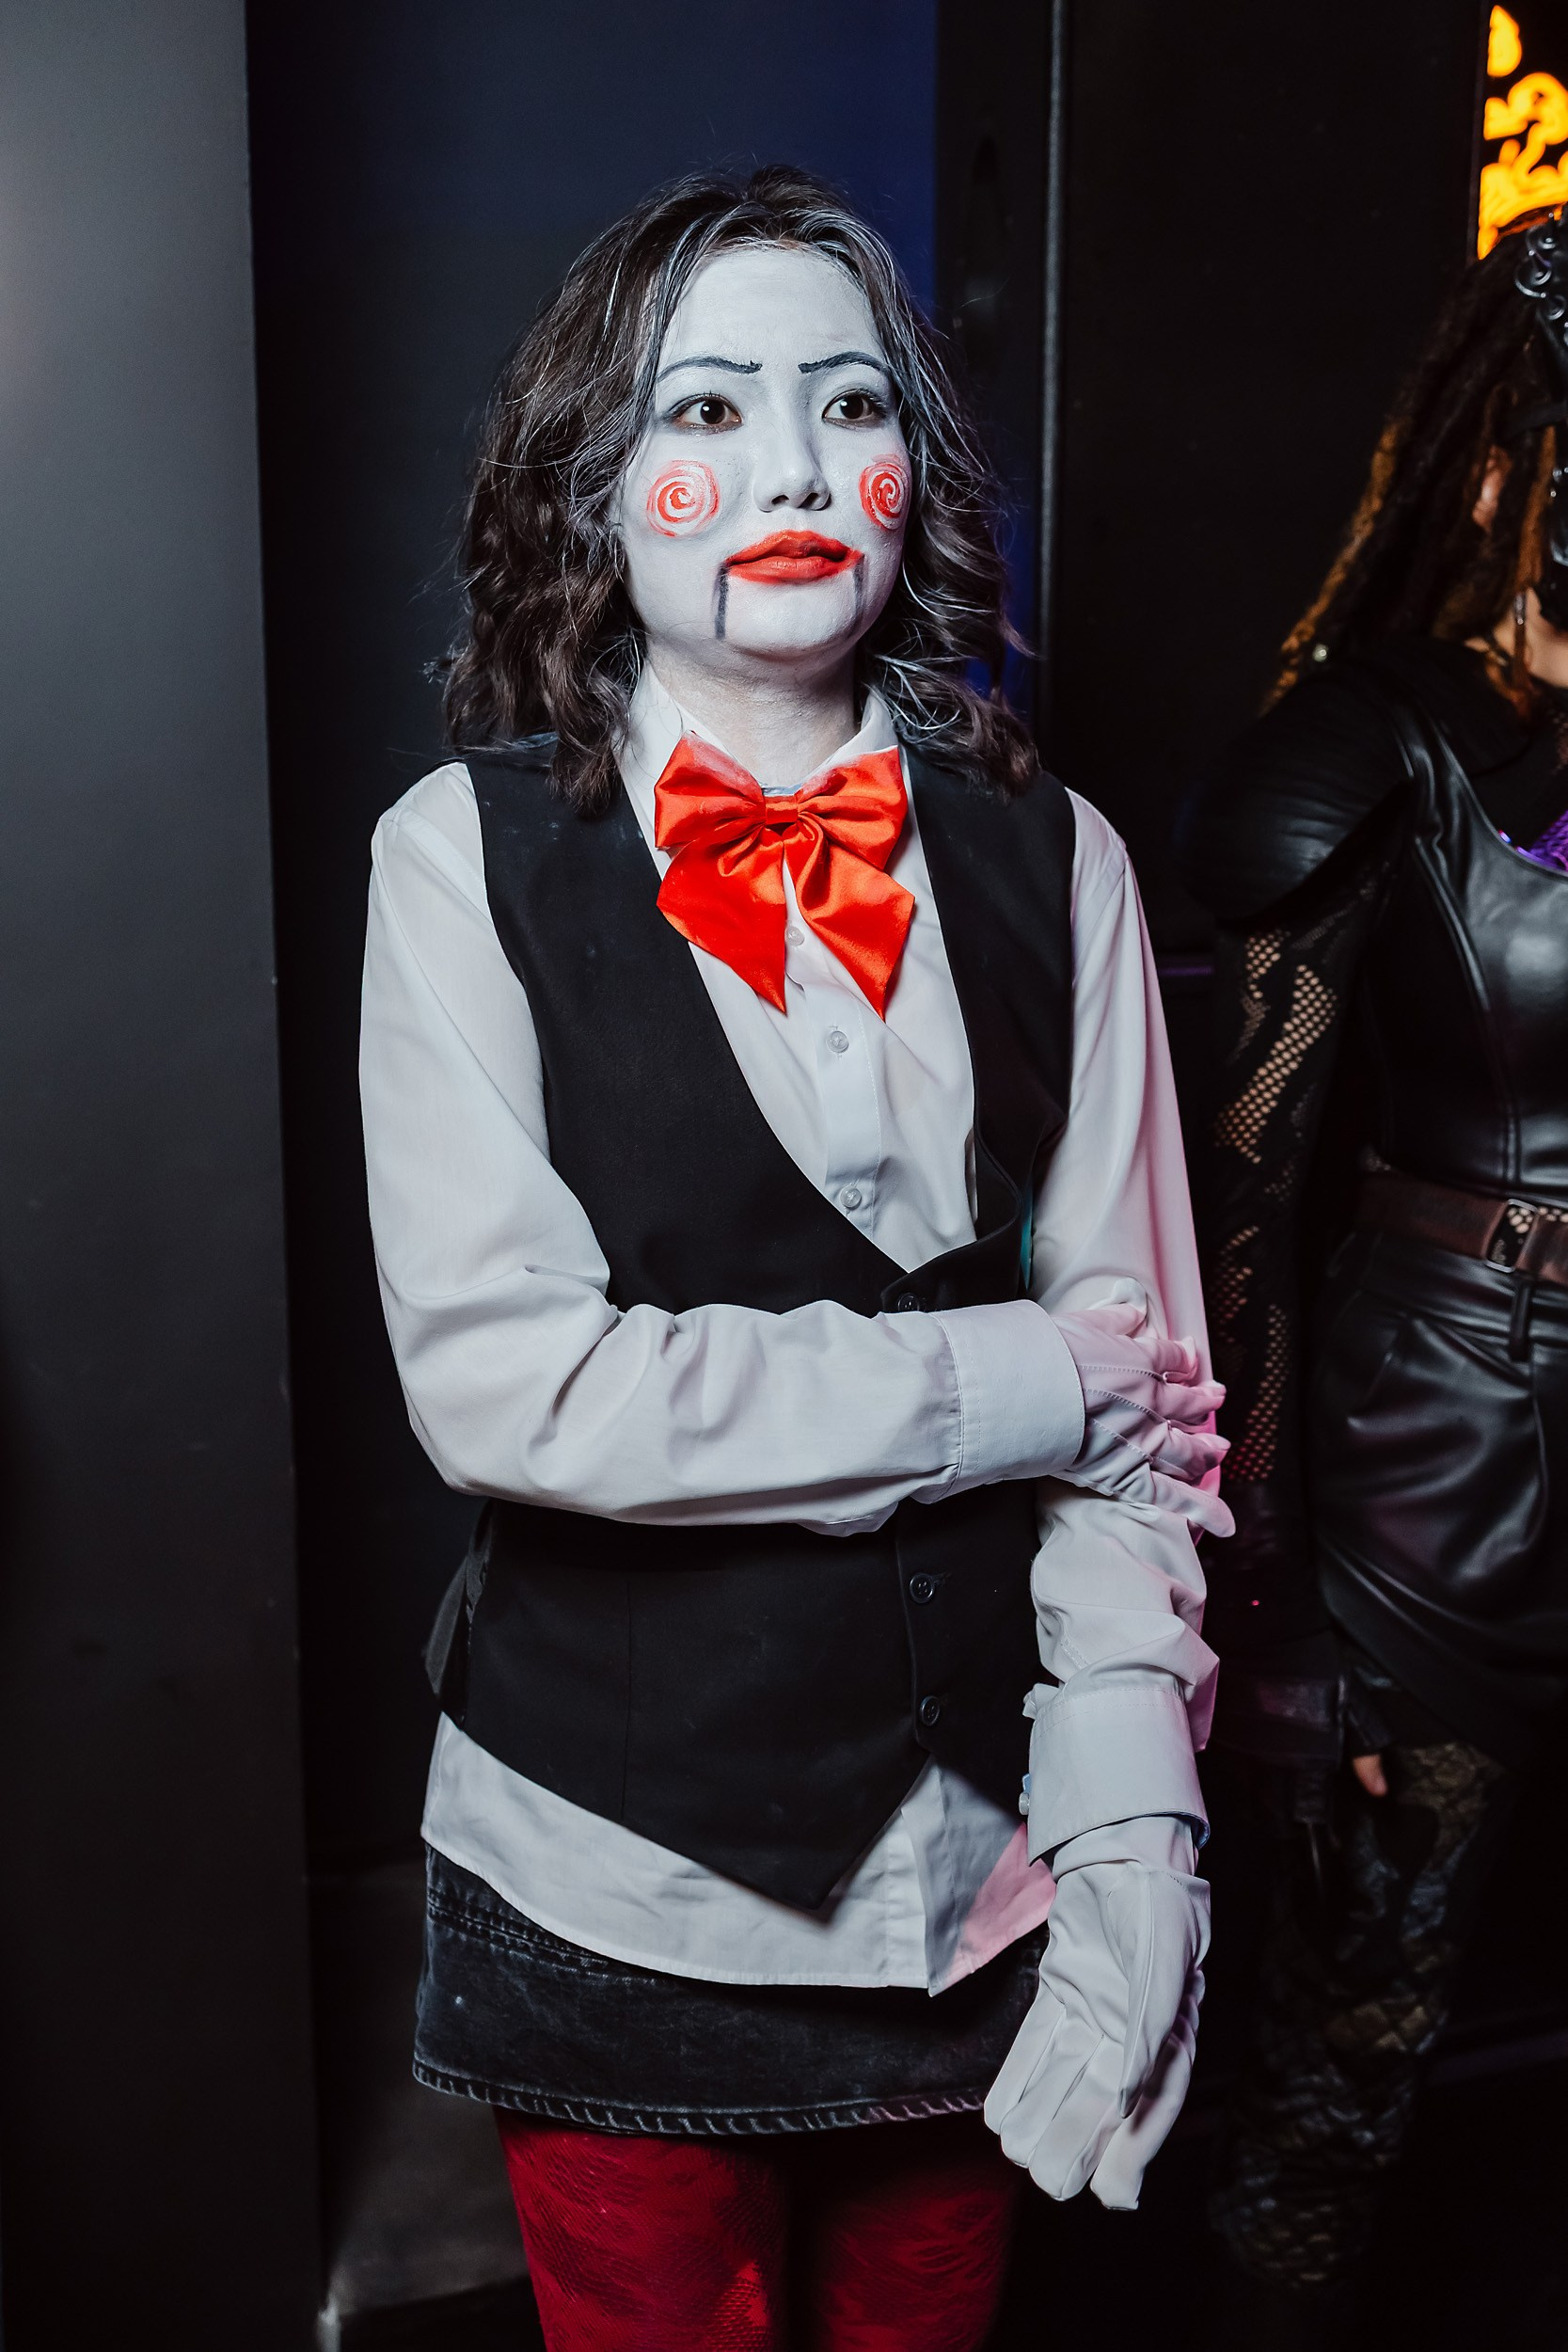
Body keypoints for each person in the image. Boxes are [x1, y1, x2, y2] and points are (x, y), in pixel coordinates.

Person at [361, 167, 1227, 2352]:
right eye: (708, 410)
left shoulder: (1062, 856)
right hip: (615, 1876)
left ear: (913, 474)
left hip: (987, 1879)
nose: (792, 472)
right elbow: (519, 1388)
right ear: (593, 484)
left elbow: (1154, 1403)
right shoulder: (457, 860)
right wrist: (1016, 1380)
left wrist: (1137, 1820)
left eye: (850, 407)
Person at [1177, 209, 1568, 2341]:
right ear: (1500, 464)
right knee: (1352, 2050)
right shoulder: (1382, 746)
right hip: (1443, 1485)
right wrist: (1273, 1603)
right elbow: (1250, 1200)